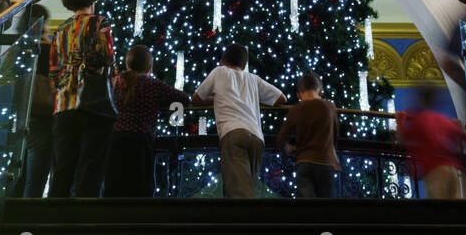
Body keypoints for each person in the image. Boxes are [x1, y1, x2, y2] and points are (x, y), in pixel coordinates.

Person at [49, 0, 117, 198]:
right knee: (90, 168)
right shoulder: (99, 23)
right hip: (94, 104)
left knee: (62, 169)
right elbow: (108, 60)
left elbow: (53, 71)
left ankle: (53, 222)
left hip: (64, 107)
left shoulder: (60, 29)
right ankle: (82, 223)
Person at [192, 43, 286, 198]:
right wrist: (253, 100)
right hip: (257, 138)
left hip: (233, 133)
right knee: (248, 187)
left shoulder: (219, 72)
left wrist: (216, 99)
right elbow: (281, 98)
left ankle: (248, 222)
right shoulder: (253, 79)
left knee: (239, 195)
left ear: (222, 60)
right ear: (244, 65)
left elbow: (196, 98)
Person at [104, 44, 191, 198]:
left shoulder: (116, 82)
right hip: (141, 142)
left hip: (116, 140)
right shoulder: (153, 84)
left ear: (127, 63)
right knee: (140, 188)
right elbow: (184, 99)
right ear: (149, 65)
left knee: (115, 186)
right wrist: (160, 103)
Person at [275, 71, 340, 198]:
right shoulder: (330, 107)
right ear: (320, 92)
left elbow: (281, 138)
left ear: (299, 95)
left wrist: (289, 149)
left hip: (304, 162)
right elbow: (336, 134)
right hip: (326, 162)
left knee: (307, 208)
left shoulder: (296, 109)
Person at [395, 88, 466, 199]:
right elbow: (462, 135)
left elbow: (403, 138)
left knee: (436, 208)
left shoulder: (419, 119)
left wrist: (399, 121)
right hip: (452, 169)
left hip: (435, 170)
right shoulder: (440, 119)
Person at [22, 3, 56, 198]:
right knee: (37, 177)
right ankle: (28, 219)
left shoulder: (19, 48)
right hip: (43, 117)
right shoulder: (47, 48)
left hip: (23, 116)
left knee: (19, 173)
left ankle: (12, 216)